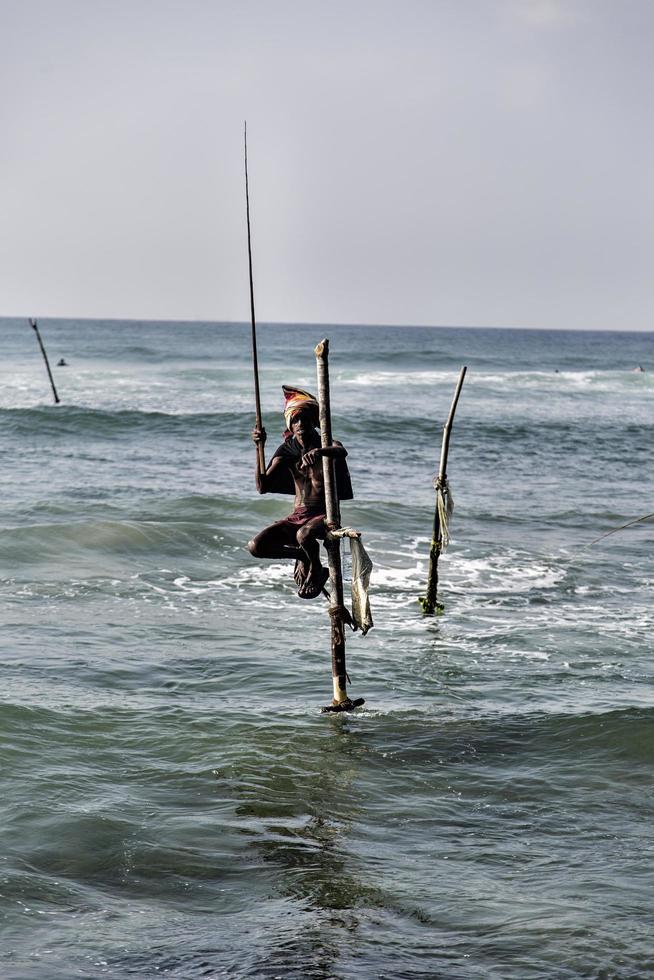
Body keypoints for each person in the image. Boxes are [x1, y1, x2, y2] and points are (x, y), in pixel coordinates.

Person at [247, 385, 353, 599]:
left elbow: (341, 451)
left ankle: (315, 568)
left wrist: (319, 452)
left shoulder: (325, 442)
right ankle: (305, 557)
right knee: (256, 546)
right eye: (295, 420)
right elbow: (262, 486)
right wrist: (259, 447)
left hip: (325, 516)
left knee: (303, 534)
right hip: (298, 516)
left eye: (305, 418)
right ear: (290, 424)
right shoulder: (287, 449)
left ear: (314, 421)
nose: (301, 424)